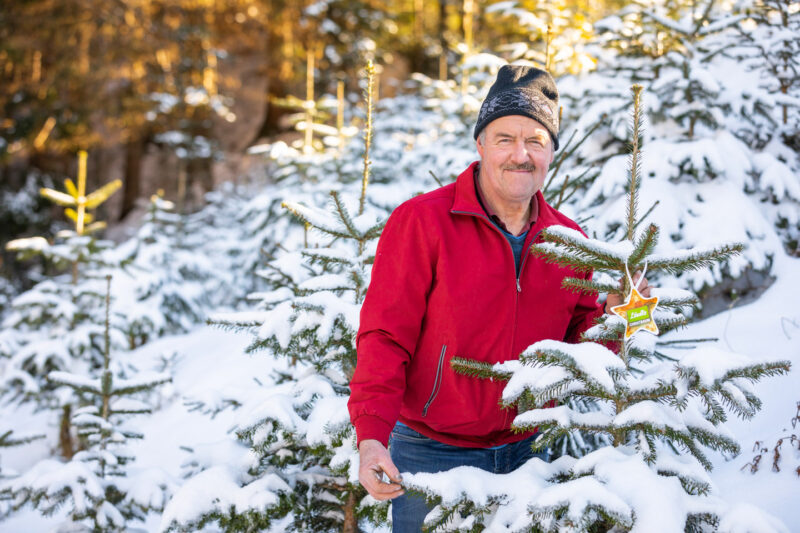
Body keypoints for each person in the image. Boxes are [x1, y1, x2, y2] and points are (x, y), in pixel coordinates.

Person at [347, 64, 650, 532]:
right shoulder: (423, 222)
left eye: (536, 140)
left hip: (530, 452)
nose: (520, 154)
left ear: (551, 152)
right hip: (431, 452)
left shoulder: (568, 239)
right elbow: (384, 336)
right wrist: (371, 437)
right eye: (505, 138)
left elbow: (576, 349)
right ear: (481, 145)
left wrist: (617, 317)